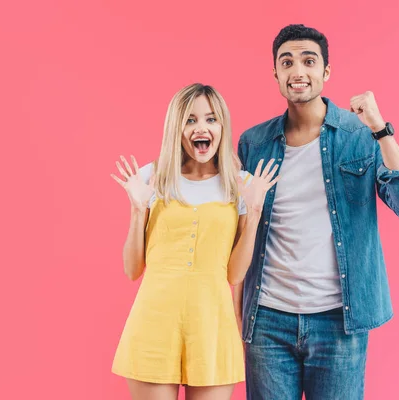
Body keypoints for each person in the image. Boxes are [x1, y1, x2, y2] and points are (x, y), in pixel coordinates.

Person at [234, 24, 399, 400]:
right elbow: (238, 231)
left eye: (309, 60)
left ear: (326, 72)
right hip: (268, 319)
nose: (298, 71)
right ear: (275, 73)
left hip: (339, 320)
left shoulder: (360, 134)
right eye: (286, 62)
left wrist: (380, 129)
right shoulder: (253, 143)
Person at [111, 83, 280, 400]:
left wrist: (254, 211)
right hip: (154, 323)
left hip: (211, 324)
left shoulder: (240, 185)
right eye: (190, 120)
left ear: (222, 126)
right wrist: (137, 209)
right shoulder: (153, 177)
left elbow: (234, 275)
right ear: (176, 127)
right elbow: (133, 269)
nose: (201, 128)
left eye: (211, 119)